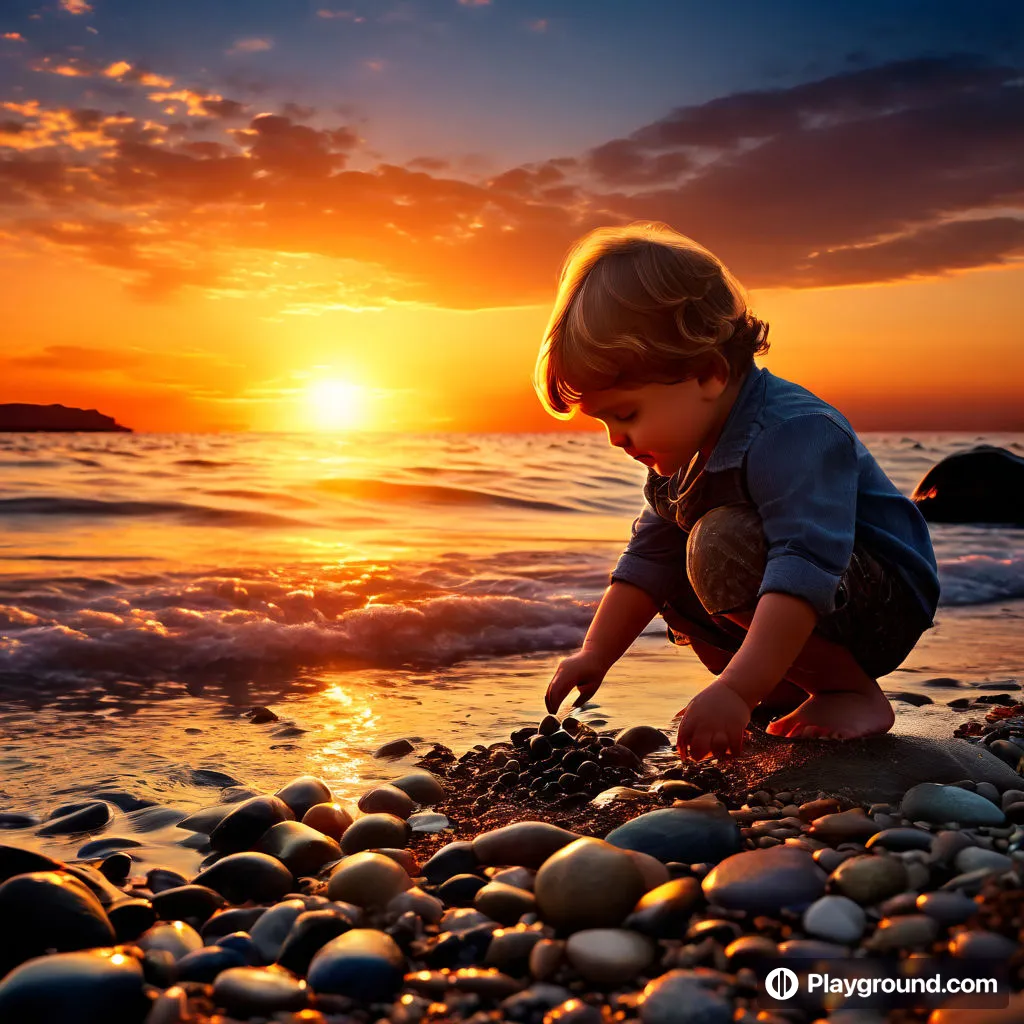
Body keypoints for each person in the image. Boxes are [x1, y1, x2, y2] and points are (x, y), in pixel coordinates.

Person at [535, 221, 940, 762]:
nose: (616, 439)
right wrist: (595, 653)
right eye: (603, 421)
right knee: (676, 552)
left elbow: (806, 563)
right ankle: (778, 687)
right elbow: (645, 563)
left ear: (708, 374)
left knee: (717, 541)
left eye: (626, 414)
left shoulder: (795, 432)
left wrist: (733, 689)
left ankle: (844, 690)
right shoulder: (679, 457)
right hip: (811, 600)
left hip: (880, 600)